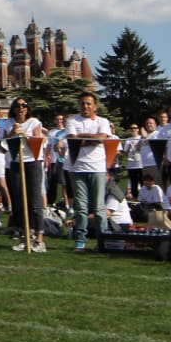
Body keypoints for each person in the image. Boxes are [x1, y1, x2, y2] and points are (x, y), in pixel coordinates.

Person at [63, 92, 114, 252]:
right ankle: (80, 240)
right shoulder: (72, 121)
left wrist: (84, 138)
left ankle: (103, 240)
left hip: (97, 168)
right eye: (82, 104)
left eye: (88, 104)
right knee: (81, 207)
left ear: (95, 106)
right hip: (77, 168)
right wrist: (90, 139)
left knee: (99, 207)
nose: (85, 106)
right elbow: (73, 140)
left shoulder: (103, 121)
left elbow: (102, 138)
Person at [0, 97, 47, 253]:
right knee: (19, 201)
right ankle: (25, 235)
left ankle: (39, 238)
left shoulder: (34, 122)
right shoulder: (8, 123)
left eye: (24, 105)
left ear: (28, 108)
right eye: (18, 106)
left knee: (34, 201)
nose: (21, 108)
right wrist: (12, 134)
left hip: (32, 162)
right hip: (16, 162)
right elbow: (1, 142)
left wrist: (25, 134)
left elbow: (38, 141)